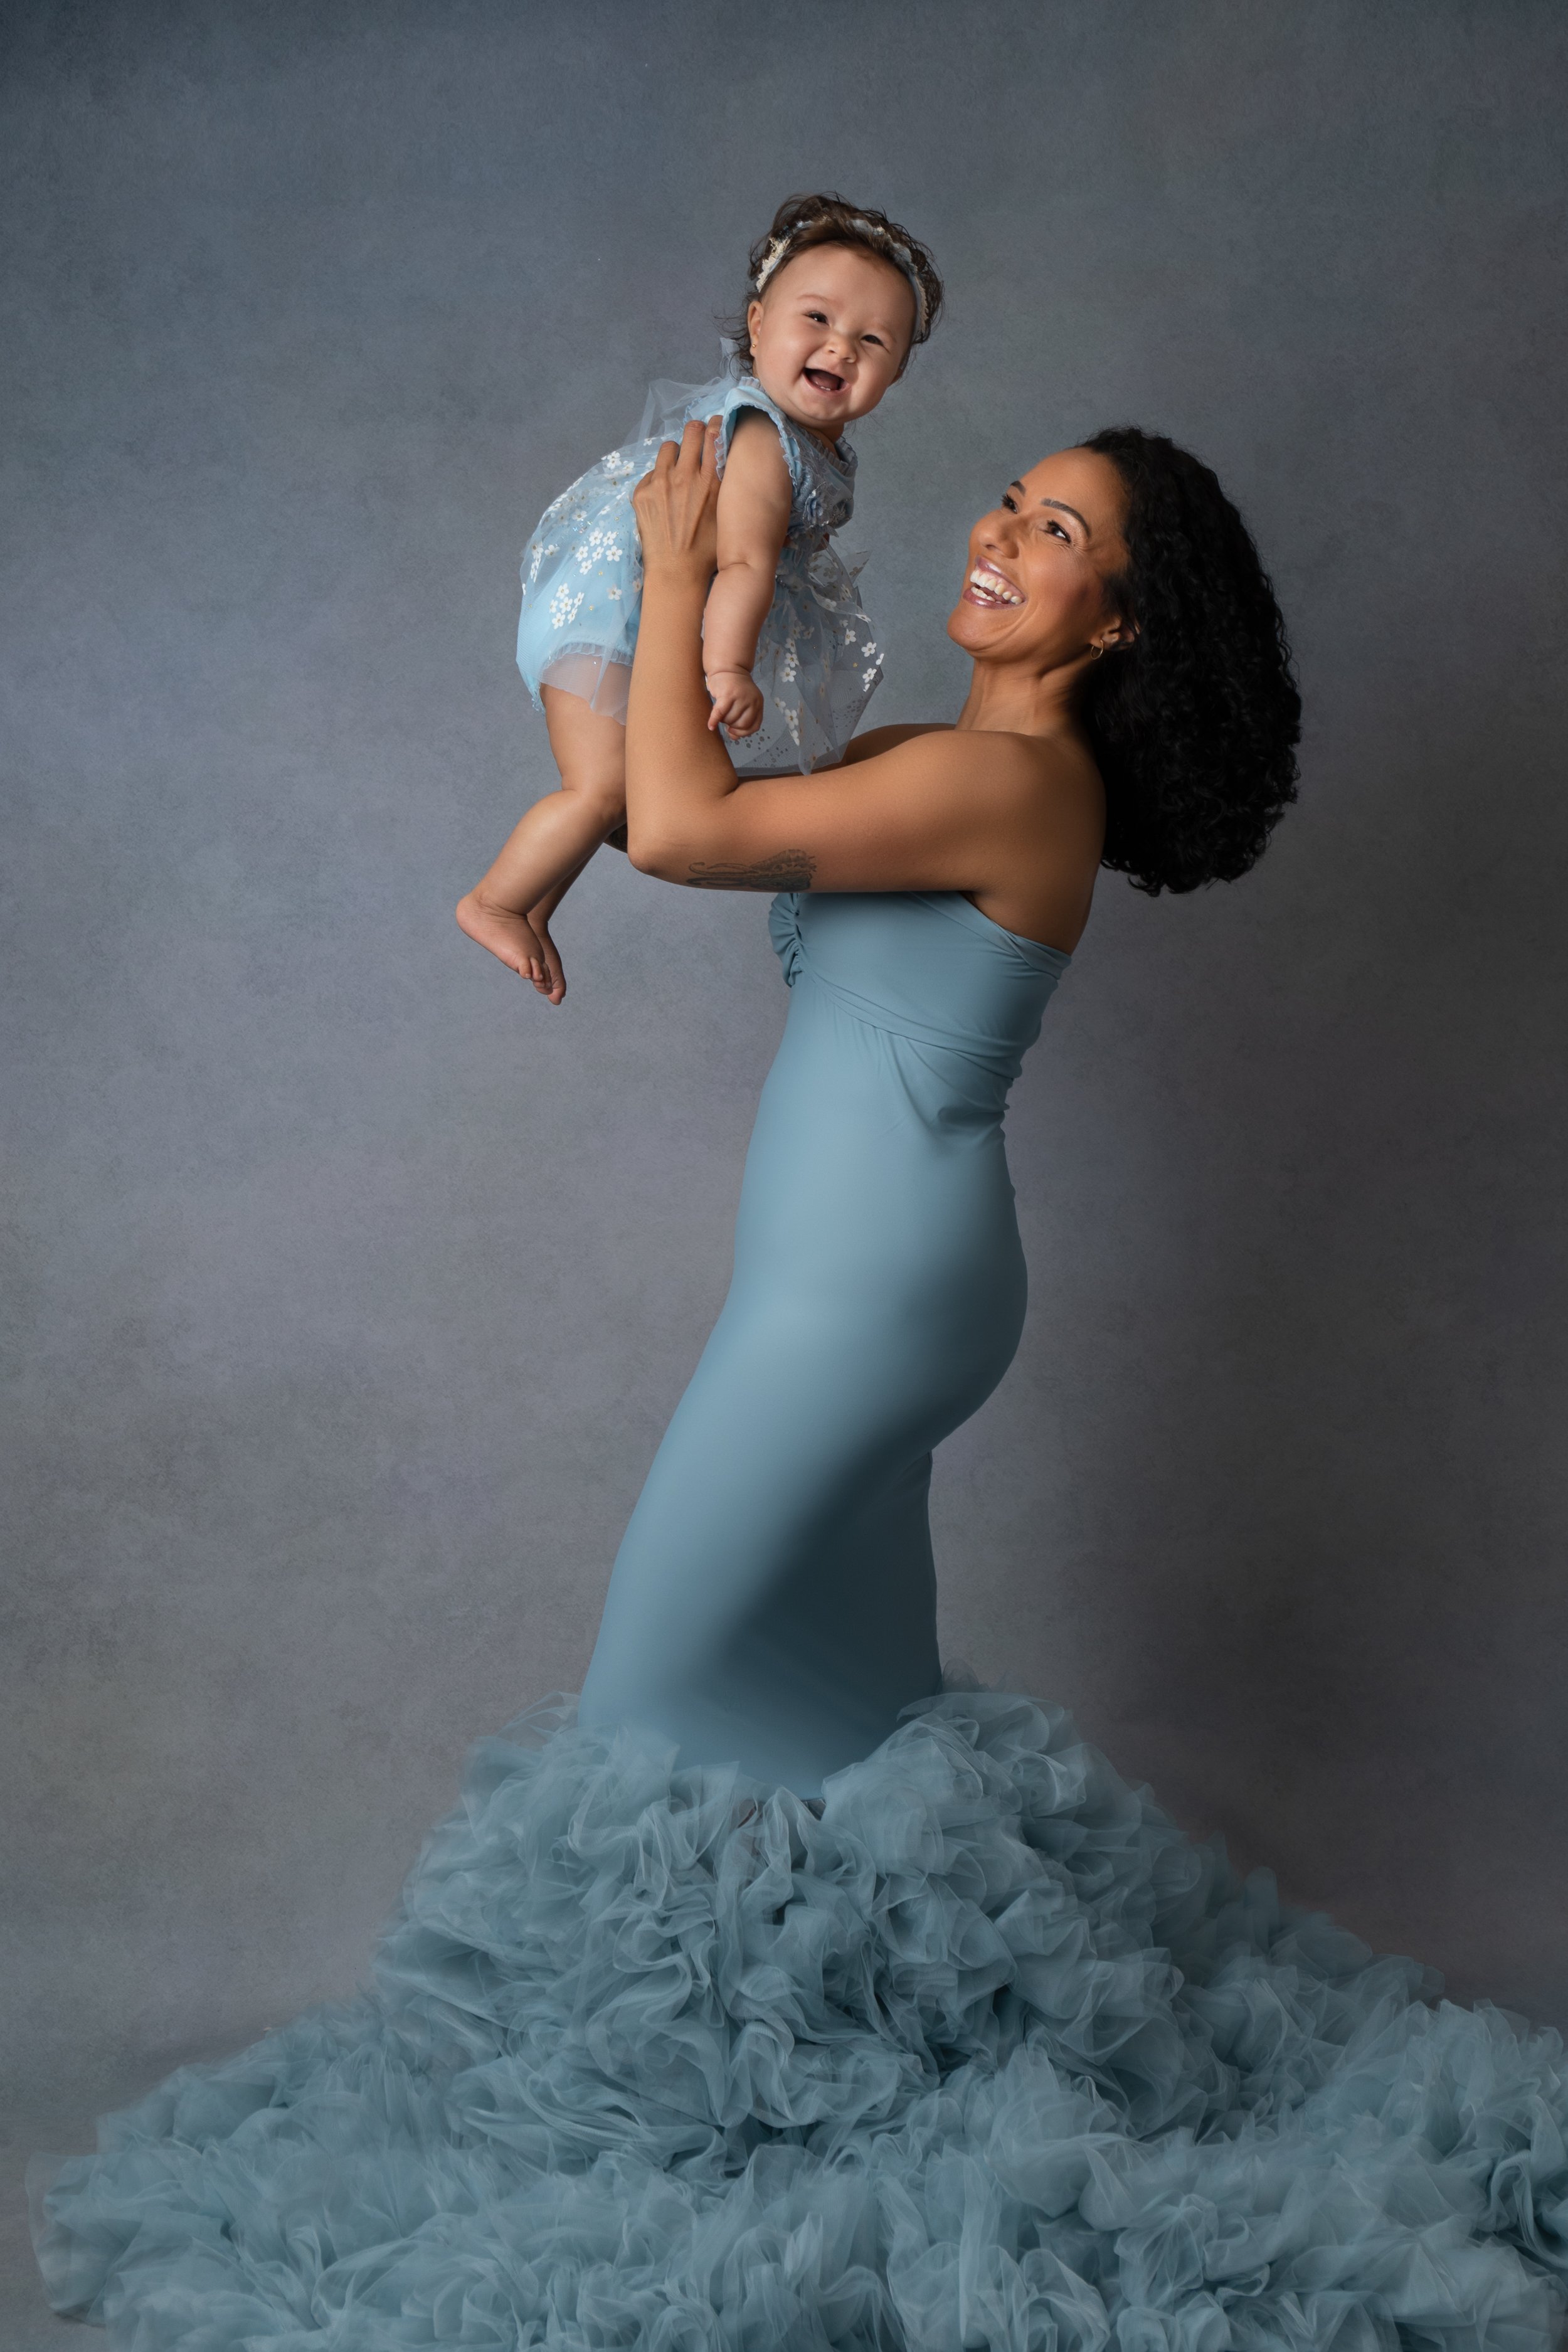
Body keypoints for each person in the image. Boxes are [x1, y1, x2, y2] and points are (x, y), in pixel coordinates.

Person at [31, 425, 1568, 2350]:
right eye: (1012, 497)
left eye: (1063, 530)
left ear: (1119, 618)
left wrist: (679, 556)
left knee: (648, 1722)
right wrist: (699, 606)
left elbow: (676, 835)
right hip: (856, 1287)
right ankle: (856, 2102)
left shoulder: (1014, 783)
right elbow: (690, 777)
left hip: (860, 1310)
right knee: (826, 1749)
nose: (1004, 531)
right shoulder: (938, 760)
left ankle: (617, 2166)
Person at [455, 194, 943, 1004]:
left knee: (615, 790)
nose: (840, 347)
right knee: (604, 792)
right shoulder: (761, 437)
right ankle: (496, 900)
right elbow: (746, 562)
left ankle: (531, 906)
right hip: (616, 617)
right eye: (815, 317)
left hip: (636, 618)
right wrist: (726, 669)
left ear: (894, 373)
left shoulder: (809, 443)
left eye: (872, 340)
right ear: (757, 326)